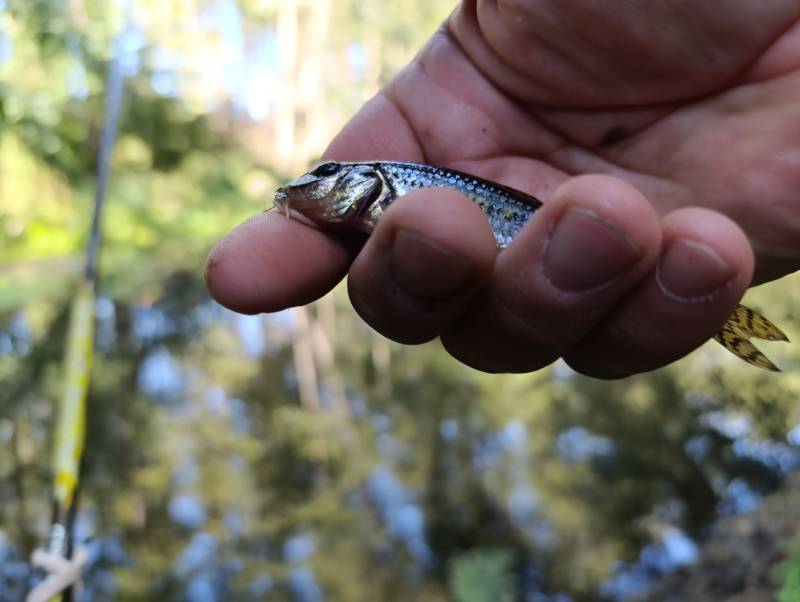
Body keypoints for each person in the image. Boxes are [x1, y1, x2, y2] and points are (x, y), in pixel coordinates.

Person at [205, 1, 800, 378]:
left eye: (323, 177)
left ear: (362, 185)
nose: (307, 187)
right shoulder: (383, 183)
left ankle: (735, 323)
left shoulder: (385, 179)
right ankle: (734, 324)